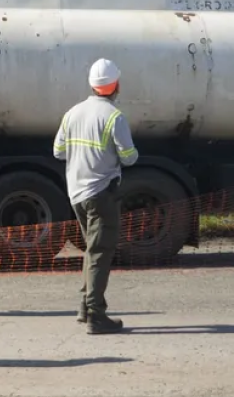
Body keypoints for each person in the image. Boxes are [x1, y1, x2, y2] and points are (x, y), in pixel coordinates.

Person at [52, 58, 138, 335]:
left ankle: (84, 307)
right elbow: (129, 157)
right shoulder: (114, 117)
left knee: (92, 249)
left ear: (91, 84)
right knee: (100, 252)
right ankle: (96, 315)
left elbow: (58, 152)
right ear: (116, 85)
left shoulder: (72, 113)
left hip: (76, 193)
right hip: (101, 193)